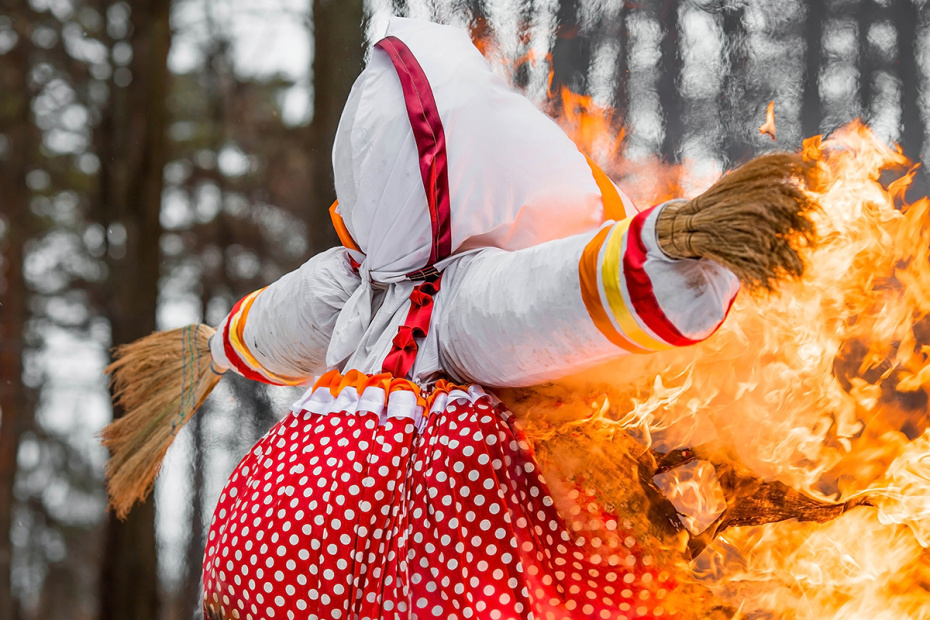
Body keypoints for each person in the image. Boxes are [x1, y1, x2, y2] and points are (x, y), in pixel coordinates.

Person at [103, 17, 816, 620]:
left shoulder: (354, 281)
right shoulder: (466, 298)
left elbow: (276, 324)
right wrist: (672, 251)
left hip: (281, 530)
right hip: (431, 544)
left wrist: (216, 350)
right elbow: (550, 296)